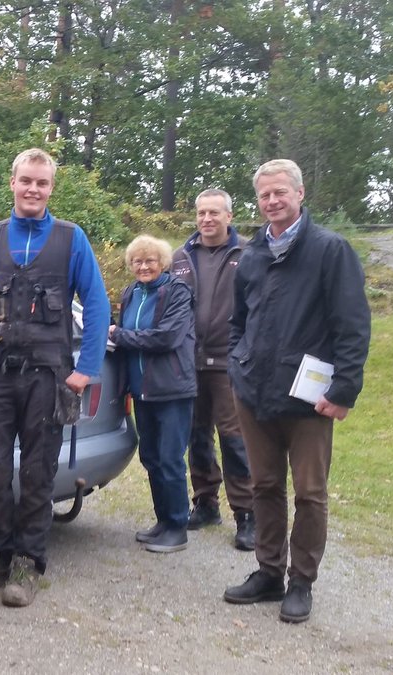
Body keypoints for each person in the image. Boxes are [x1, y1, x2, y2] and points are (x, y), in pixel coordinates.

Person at [0, 148, 110, 608]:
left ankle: (28, 562)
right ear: (13, 182)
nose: (33, 189)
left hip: (48, 375)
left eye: (42, 183)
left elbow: (97, 305)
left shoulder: (71, 238)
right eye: (26, 181)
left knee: (40, 471)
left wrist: (86, 370)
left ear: (50, 188)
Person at [222, 159, 370, 624]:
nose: (272, 201)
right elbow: (237, 322)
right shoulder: (250, 255)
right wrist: (236, 365)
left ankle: (301, 581)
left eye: (280, 192)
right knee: (264, 485)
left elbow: (352, 325)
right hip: (254, 391)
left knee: (310, 492)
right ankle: (268, 572)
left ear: (300, 193)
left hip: (308, 398)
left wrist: (344, 390)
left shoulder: (330, 250)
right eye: (265, 195)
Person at [170, 189, 255, 551]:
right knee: (197, 435)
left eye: (214, 213)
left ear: (229, 217)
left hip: (229, 362)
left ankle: (247, 514)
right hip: (189, 361)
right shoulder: (181, 257)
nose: (207, 219)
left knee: (235, 439)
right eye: (202, 212)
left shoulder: (248, 254)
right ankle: (205, 503)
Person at [109, 235, 196, 554]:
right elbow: (123, 333)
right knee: (151, 458)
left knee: (171, 458)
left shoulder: (177, 291)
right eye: (137, 262)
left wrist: (120, 335)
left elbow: (166, 338)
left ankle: (177, 526)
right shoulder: (131, 292)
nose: (143, 266)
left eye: (150, 261)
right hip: (141, 390)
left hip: (172, 389)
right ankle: (163, 521)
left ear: (163, 263)